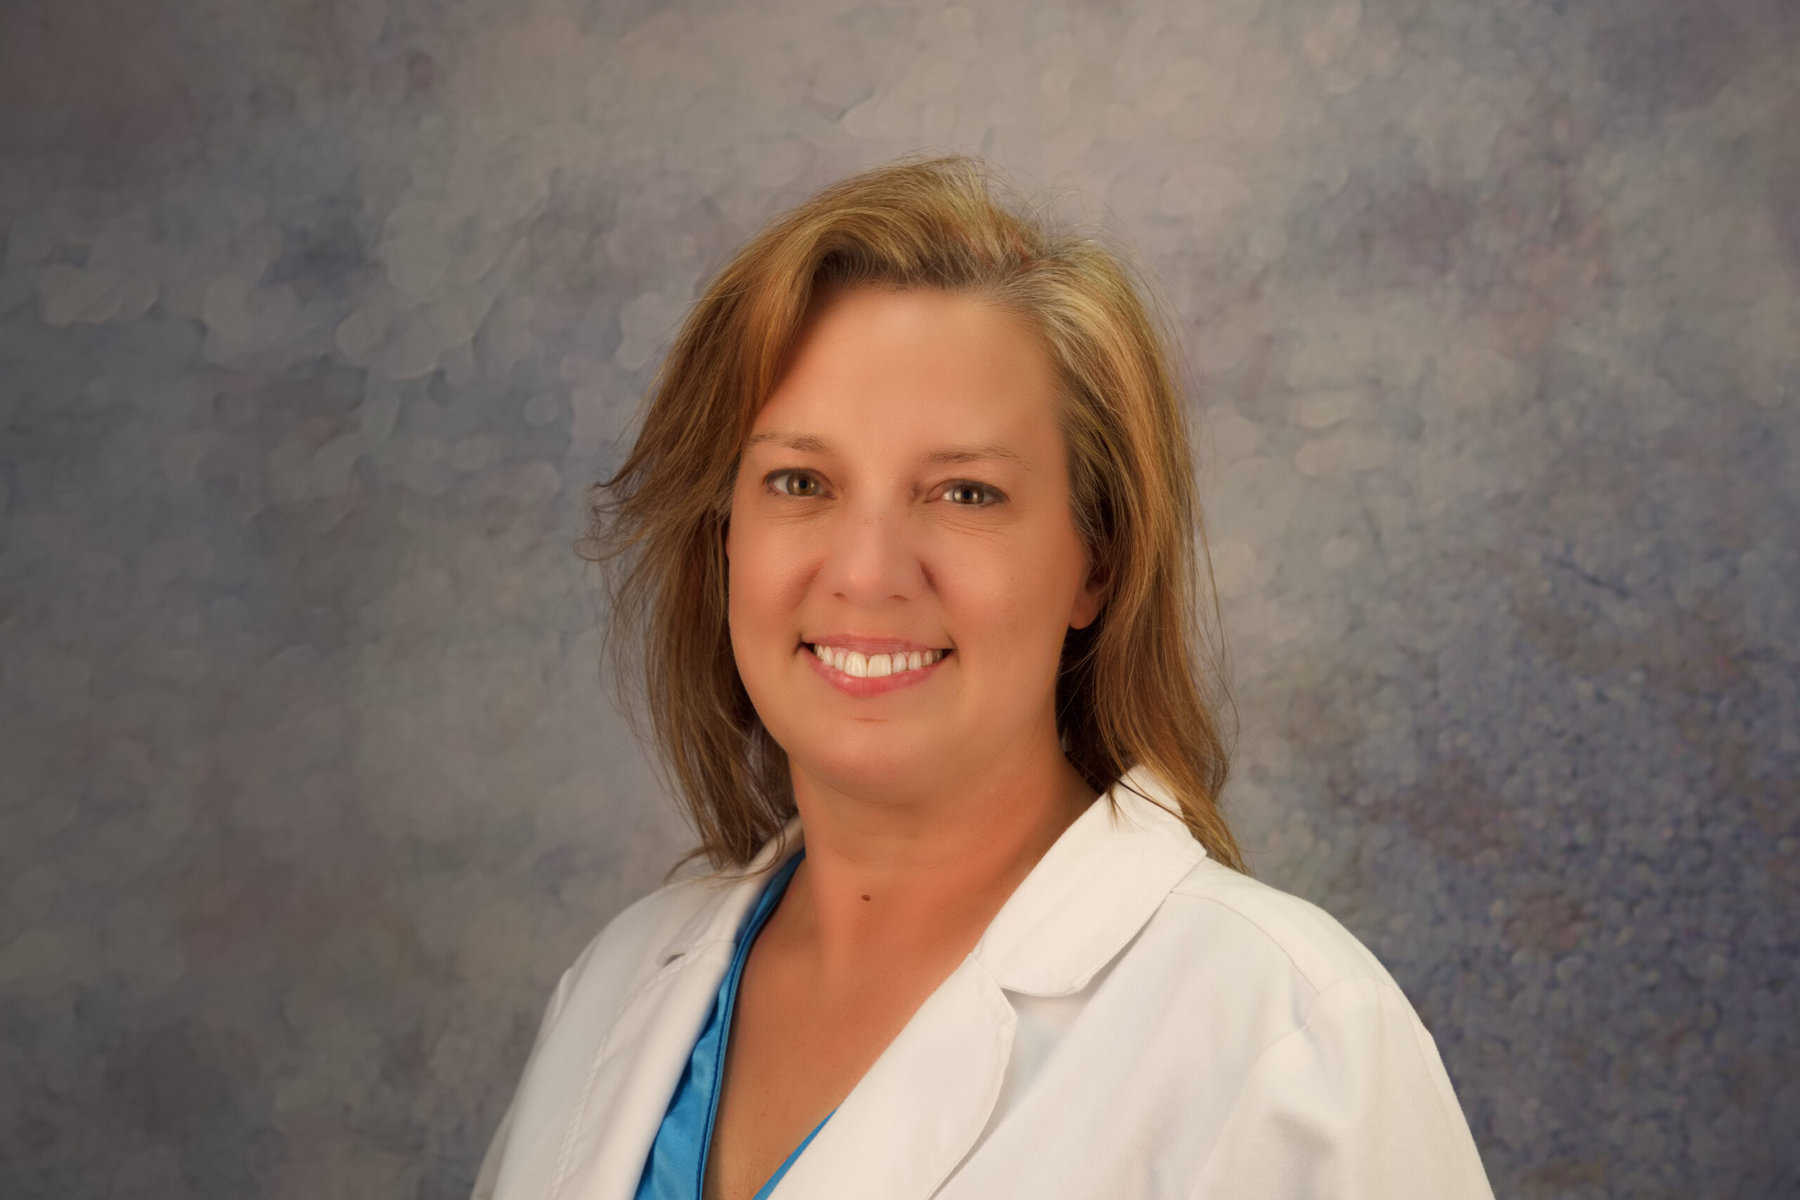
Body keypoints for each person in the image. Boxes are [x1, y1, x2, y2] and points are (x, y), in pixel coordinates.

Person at [472, 157, 1493, 1200]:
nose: (867, 573)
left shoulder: (1292, 1038)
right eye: (800, 481)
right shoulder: (615, 993)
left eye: (964, 492)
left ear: (1095, 560)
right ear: (725, 534)